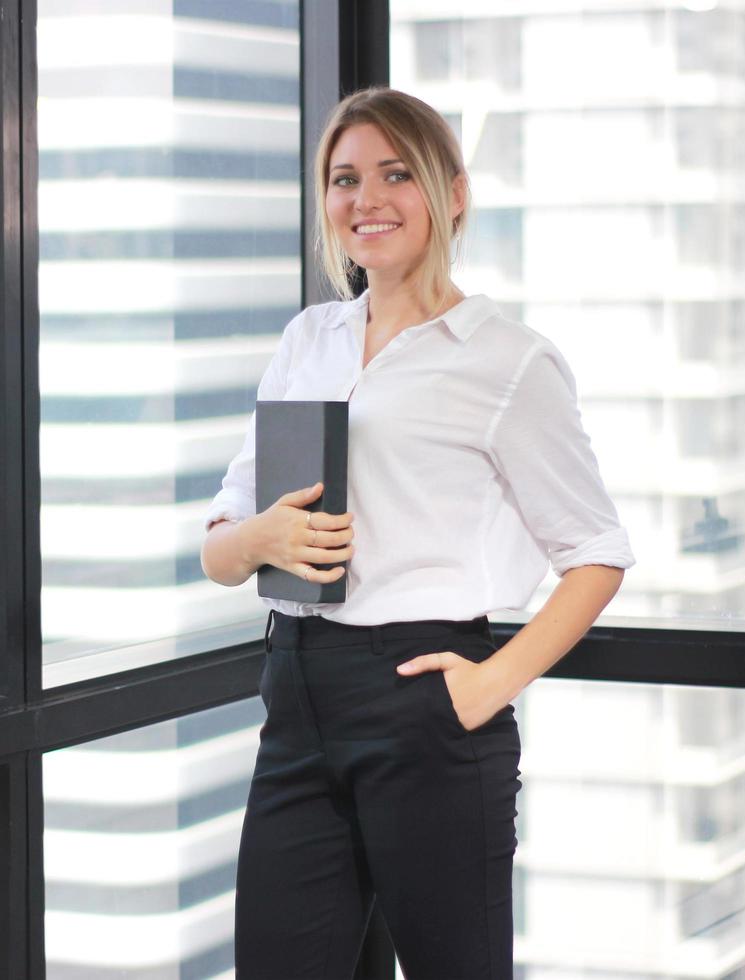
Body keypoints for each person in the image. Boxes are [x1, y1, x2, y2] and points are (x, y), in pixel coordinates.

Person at [201, 86, 635, 980]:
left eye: (395, 174)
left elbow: (595, 551)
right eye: (344, 178)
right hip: (295, 693)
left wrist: (489, 687)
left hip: (424, 696)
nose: (367, 199)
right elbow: (218, 545)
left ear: (452, 193)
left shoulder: (504, 357)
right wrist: (263, 543)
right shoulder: (307, 339)